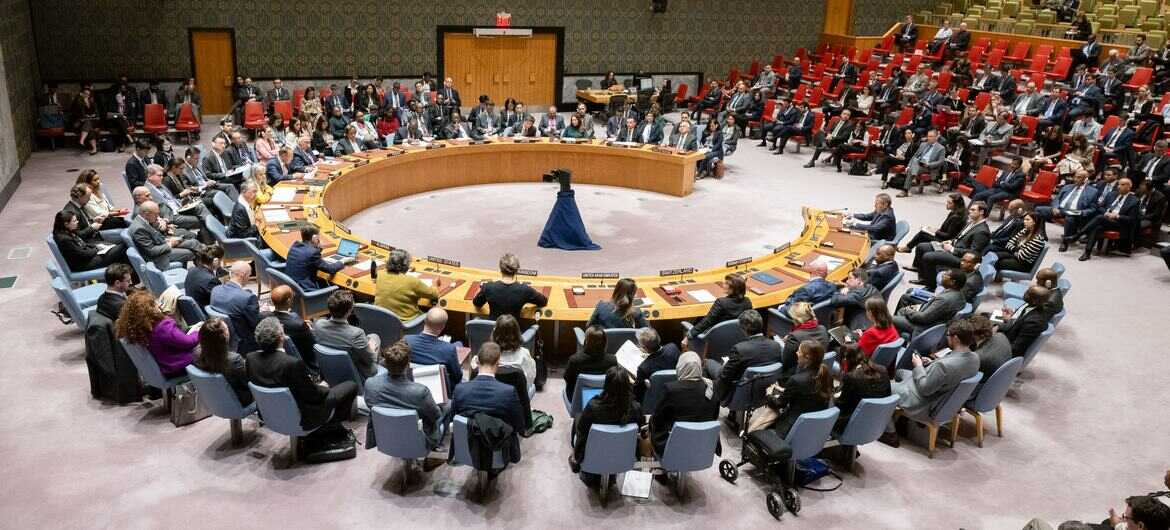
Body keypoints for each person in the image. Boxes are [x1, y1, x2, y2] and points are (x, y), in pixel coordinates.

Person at [247, 317, 358, 436]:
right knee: (351, 386)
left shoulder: (250, 358)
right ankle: (331, 430)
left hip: (270, 414)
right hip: (304, 417)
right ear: (281, 337)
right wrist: (324, 387)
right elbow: (314, 396)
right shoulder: (291, 364)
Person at [889, 319, 980, 431]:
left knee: (882, 386)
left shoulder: (944, 366)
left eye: (948, 335)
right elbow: (951, 369)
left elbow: (924, 389)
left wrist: (918, 366)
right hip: (941, 396)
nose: (946, 338)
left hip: (921, 401)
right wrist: (932, 363)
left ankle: (890, 431)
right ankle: (901, 418)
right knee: (900, 372)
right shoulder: (975, 358)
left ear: (956, 338)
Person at [364, 340, 445, 451]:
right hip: (416, 438)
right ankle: (436, 446)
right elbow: (435, 416)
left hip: (385, 436)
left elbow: (370, 405)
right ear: (408, 365)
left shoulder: (370, 384)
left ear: (385, 363)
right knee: (446, 407)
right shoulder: (420, 392)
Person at [570, 365, 643, 488]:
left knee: (578, 419)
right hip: (622, 456)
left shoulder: (593, 407)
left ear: (606, 385)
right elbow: (638, 433)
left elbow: (582, 433)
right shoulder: (636, 408)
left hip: (593, 456)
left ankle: (577, 460)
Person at [448, 342, 526, 437]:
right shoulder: (509, 392)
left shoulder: (459, 390)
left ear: (477, 361)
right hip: (500, 443)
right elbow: (520, 426)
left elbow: (454, 421)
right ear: (498, 363)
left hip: (468, 443)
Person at [648, 351, 719, 456]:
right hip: (703, 446)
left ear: (679, 367)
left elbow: (658, 418)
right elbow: (714, 416)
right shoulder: (712, 386)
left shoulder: (671, 389)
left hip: (674, 448)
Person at [116, 290, 197, 378]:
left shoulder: (139, 329)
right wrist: (199, 332)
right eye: (154, 304)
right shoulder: (163, 326)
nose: (159, 305)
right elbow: (188, 342)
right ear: (149, 310)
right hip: (181, 366)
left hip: (166, 366)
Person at [912, 201, 991, 291]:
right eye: (970, 209)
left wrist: (953, 249)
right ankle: (923, 278)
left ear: (981, 212)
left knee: (928, 257)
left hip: (961, 258)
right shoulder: (971, 223)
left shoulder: (982, 231)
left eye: (973, 210)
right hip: (953, 248)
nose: (969, 211)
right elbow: (959, 238)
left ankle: (931, 286)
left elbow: (973, 253)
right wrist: (950, 242)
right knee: (922, 246)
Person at [708, 310, 781, 402]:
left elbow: (725, 377)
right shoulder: (776, 346)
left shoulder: (740, 349)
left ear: (744, 329)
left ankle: (711, 403)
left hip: (738, 392)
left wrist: (717, 394)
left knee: (708, 363)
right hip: (763, 393)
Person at [770, 340, 833, 437]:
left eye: (799, 351)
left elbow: (780, 404)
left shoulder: (796, 380)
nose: (796, 353)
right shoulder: (826, 374)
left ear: (807, 357)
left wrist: (768, 396)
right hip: (815, 426)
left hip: (792, 428)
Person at [314, 290, 380, 379]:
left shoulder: (318, 324)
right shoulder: (356, 334)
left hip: (330, 368)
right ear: (349, 311)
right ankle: (376, 381)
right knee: (375, 338)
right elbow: (371, 360)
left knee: (370, 337)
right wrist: (372, 348)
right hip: (355, 373)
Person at [1075, 177, 1139, 261]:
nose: (1119, 186)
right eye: (1118, 184)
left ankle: (1078, 234)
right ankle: (1087, 252)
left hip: (1119, 224)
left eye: (1122, 185)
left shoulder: (1134, 200)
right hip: (1106, 219)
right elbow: (1100, 207)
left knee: (1099, 217)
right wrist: (1106, 213)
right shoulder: (1111, 194)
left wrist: (1116, 216)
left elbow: (1132, 219)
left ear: (1129, 187)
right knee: (1097, 227)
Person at [193, 315, 252, 407]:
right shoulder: (234, 360)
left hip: (212, 398)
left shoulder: (196, 354)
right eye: (227, 329)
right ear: (225, 336)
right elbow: (248, 384)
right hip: (238, 400)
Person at [471, 253, 548, 321]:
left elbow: (477, 303)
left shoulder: (488, 287)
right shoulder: (525, 290)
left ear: (500, 269)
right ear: (516, 270)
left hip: (494, 332)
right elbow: (543, 301)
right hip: (514, 332)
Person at [682, 273, 751, 346]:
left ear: (733, 289)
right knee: (699, 318)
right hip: (736, 340)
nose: (723, 285)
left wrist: (688, 336)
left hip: (713, 340)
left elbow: (707, 322)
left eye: (726, 283)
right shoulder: (747, 302)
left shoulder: (721, 302)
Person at [835, 343, 891, 432]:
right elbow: (888, 395)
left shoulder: (851, 377)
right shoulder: (883, 369)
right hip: (876, 421)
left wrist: (833, 397)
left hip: (853, 424)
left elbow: (841, 405)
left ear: (845, 359)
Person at [403, 307, 462, 391]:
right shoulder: (449, 349)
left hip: (411, 386)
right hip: (440, 391)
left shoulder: (406, 340)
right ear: (443, 327)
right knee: (459, 344)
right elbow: (457, 377)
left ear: (424, 321)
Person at [894, 269, 967, 335]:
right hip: (933, 318)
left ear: (952, 282)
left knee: (892, 318)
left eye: (945, 275)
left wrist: (908, 311)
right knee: (905, 302)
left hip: (923, 328)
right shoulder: (960, 295)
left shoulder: (944, 299)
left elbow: (923, 318)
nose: (942, 275)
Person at [373, 248, 440, 321]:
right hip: (405, 323)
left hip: (381, 319)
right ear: (405, 266)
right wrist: (435, 284)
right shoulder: (412, 281)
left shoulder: (380, 275)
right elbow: (434, 294)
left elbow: (386, 271)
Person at [128, 201, 199, 269]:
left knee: (192, 242)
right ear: (147, 214)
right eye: (156, 214)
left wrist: (167, 236)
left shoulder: (143, 220)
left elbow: (154, 236)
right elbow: (152, 251)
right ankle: (200, 270)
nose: (157, 217)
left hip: (162, 243)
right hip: (158, 257)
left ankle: (203, 259)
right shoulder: (139, 229)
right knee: (190, 253)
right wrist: (170, 244)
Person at [52, 209, 129, 272]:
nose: (77, 222)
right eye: (74, 221)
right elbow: (82, 254)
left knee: (118, 251)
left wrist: (97, 247)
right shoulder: (64, 239)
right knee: (123, 247)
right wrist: (96, 249)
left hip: (88, 257)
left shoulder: (67, 231)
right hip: (84, 264)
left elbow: (83, 244)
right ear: (66, 224)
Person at [262, 285, 317, 372]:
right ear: (288, 301)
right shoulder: (298, 324)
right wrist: (309, 329)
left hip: (281, 357)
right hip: (305, 363)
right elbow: (313, 344)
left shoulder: (265, 316)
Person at [210, 261, 261, 355]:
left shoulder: (215, 290)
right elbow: (257, 324)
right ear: (243, 275)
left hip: (220, 337)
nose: (249, 278)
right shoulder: (248, 298)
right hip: (245, 343)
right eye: (249, 275)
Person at [470, 315, 536, 386]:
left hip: (488, 391)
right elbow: (530, 381)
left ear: (494, 333)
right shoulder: (524, 355)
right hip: (516, 392)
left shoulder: (483, 356)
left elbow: (474, 378)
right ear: (517, 333)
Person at [779, 302, 830, 379]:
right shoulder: (823, 329)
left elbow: (786, 363)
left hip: (796, 376)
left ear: (796, 319)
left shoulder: (794, 337)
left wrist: (786, 343)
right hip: (818, 372)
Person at [999, 285, 1053, 358]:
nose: (1025, 293)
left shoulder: (1034, 323)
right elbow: (1021, 319)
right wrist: (1012, 316)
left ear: (1035, 300)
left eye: (1028, 293)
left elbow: (1016, 348)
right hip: (1009, 329)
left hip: (1007, 345)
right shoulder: (1032, 305)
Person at [901, 193, 967, 253]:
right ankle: (909, 247)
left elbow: (948, 236)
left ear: (956, 205)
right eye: (947, 202)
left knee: (922, 234)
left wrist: (934, 231)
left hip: (946, 242)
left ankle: (907, 248)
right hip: (943, 236)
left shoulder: (956, 217)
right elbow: (944, 229)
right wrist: (932, 229)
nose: (946, 204)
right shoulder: (954, 213)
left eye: (949, 203)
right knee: (924, 231)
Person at [285, 225, 345, 291]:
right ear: (314, 237)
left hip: (291, 285)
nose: (319, 239)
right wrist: (342, 261)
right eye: (318, 237)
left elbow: (307, 253)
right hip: (305, 289)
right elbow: (331, 269)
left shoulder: (295, 245)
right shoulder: (313, 253)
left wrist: (318, 248)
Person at [563, 325, 618, 396]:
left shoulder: (574, 360)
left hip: (577, 398)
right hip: (604, 398)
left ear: (586, 341)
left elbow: (567, 378)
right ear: (605, 342)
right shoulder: (612, 361)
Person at [632, 327, 681, 403]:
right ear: (659, 338)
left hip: (657, 400)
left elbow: (638, 393)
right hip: (677, 392)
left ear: (645, 348)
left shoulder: (644, 368)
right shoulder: (673, 347)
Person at [969, 315, 1011, 391]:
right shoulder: (1001, 336)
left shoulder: (979, 357)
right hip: (999, 384)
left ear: (973, 335)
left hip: (980, 388)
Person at [183, 244, 222, 310]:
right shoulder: (211, 280)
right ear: (216, 261)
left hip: (193, 310)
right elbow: (222, 301)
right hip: (207, 312)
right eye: (221, 260)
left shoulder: (191, 270)